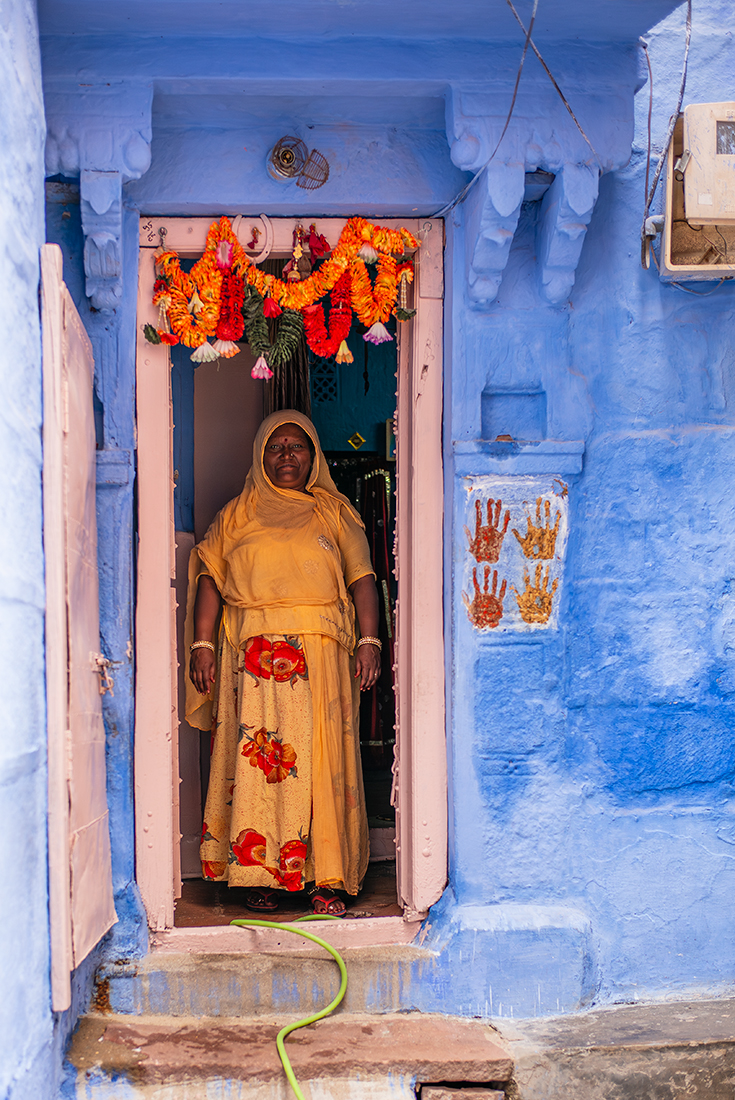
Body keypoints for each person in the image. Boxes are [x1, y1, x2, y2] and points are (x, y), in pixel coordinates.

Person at [185, 409, 381, 916]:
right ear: (260, 455)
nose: (286, 455)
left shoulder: (334, 512)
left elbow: (361, 578)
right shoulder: (235, 516)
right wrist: (202, 644)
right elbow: (210, 578)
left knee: (320, 765)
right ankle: (263, 873)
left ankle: (324, 877)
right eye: (276, 446)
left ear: (313, 456)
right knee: (261, 768)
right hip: (253, 663)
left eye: (297, 446)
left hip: (321, 657)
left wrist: (370, 640)